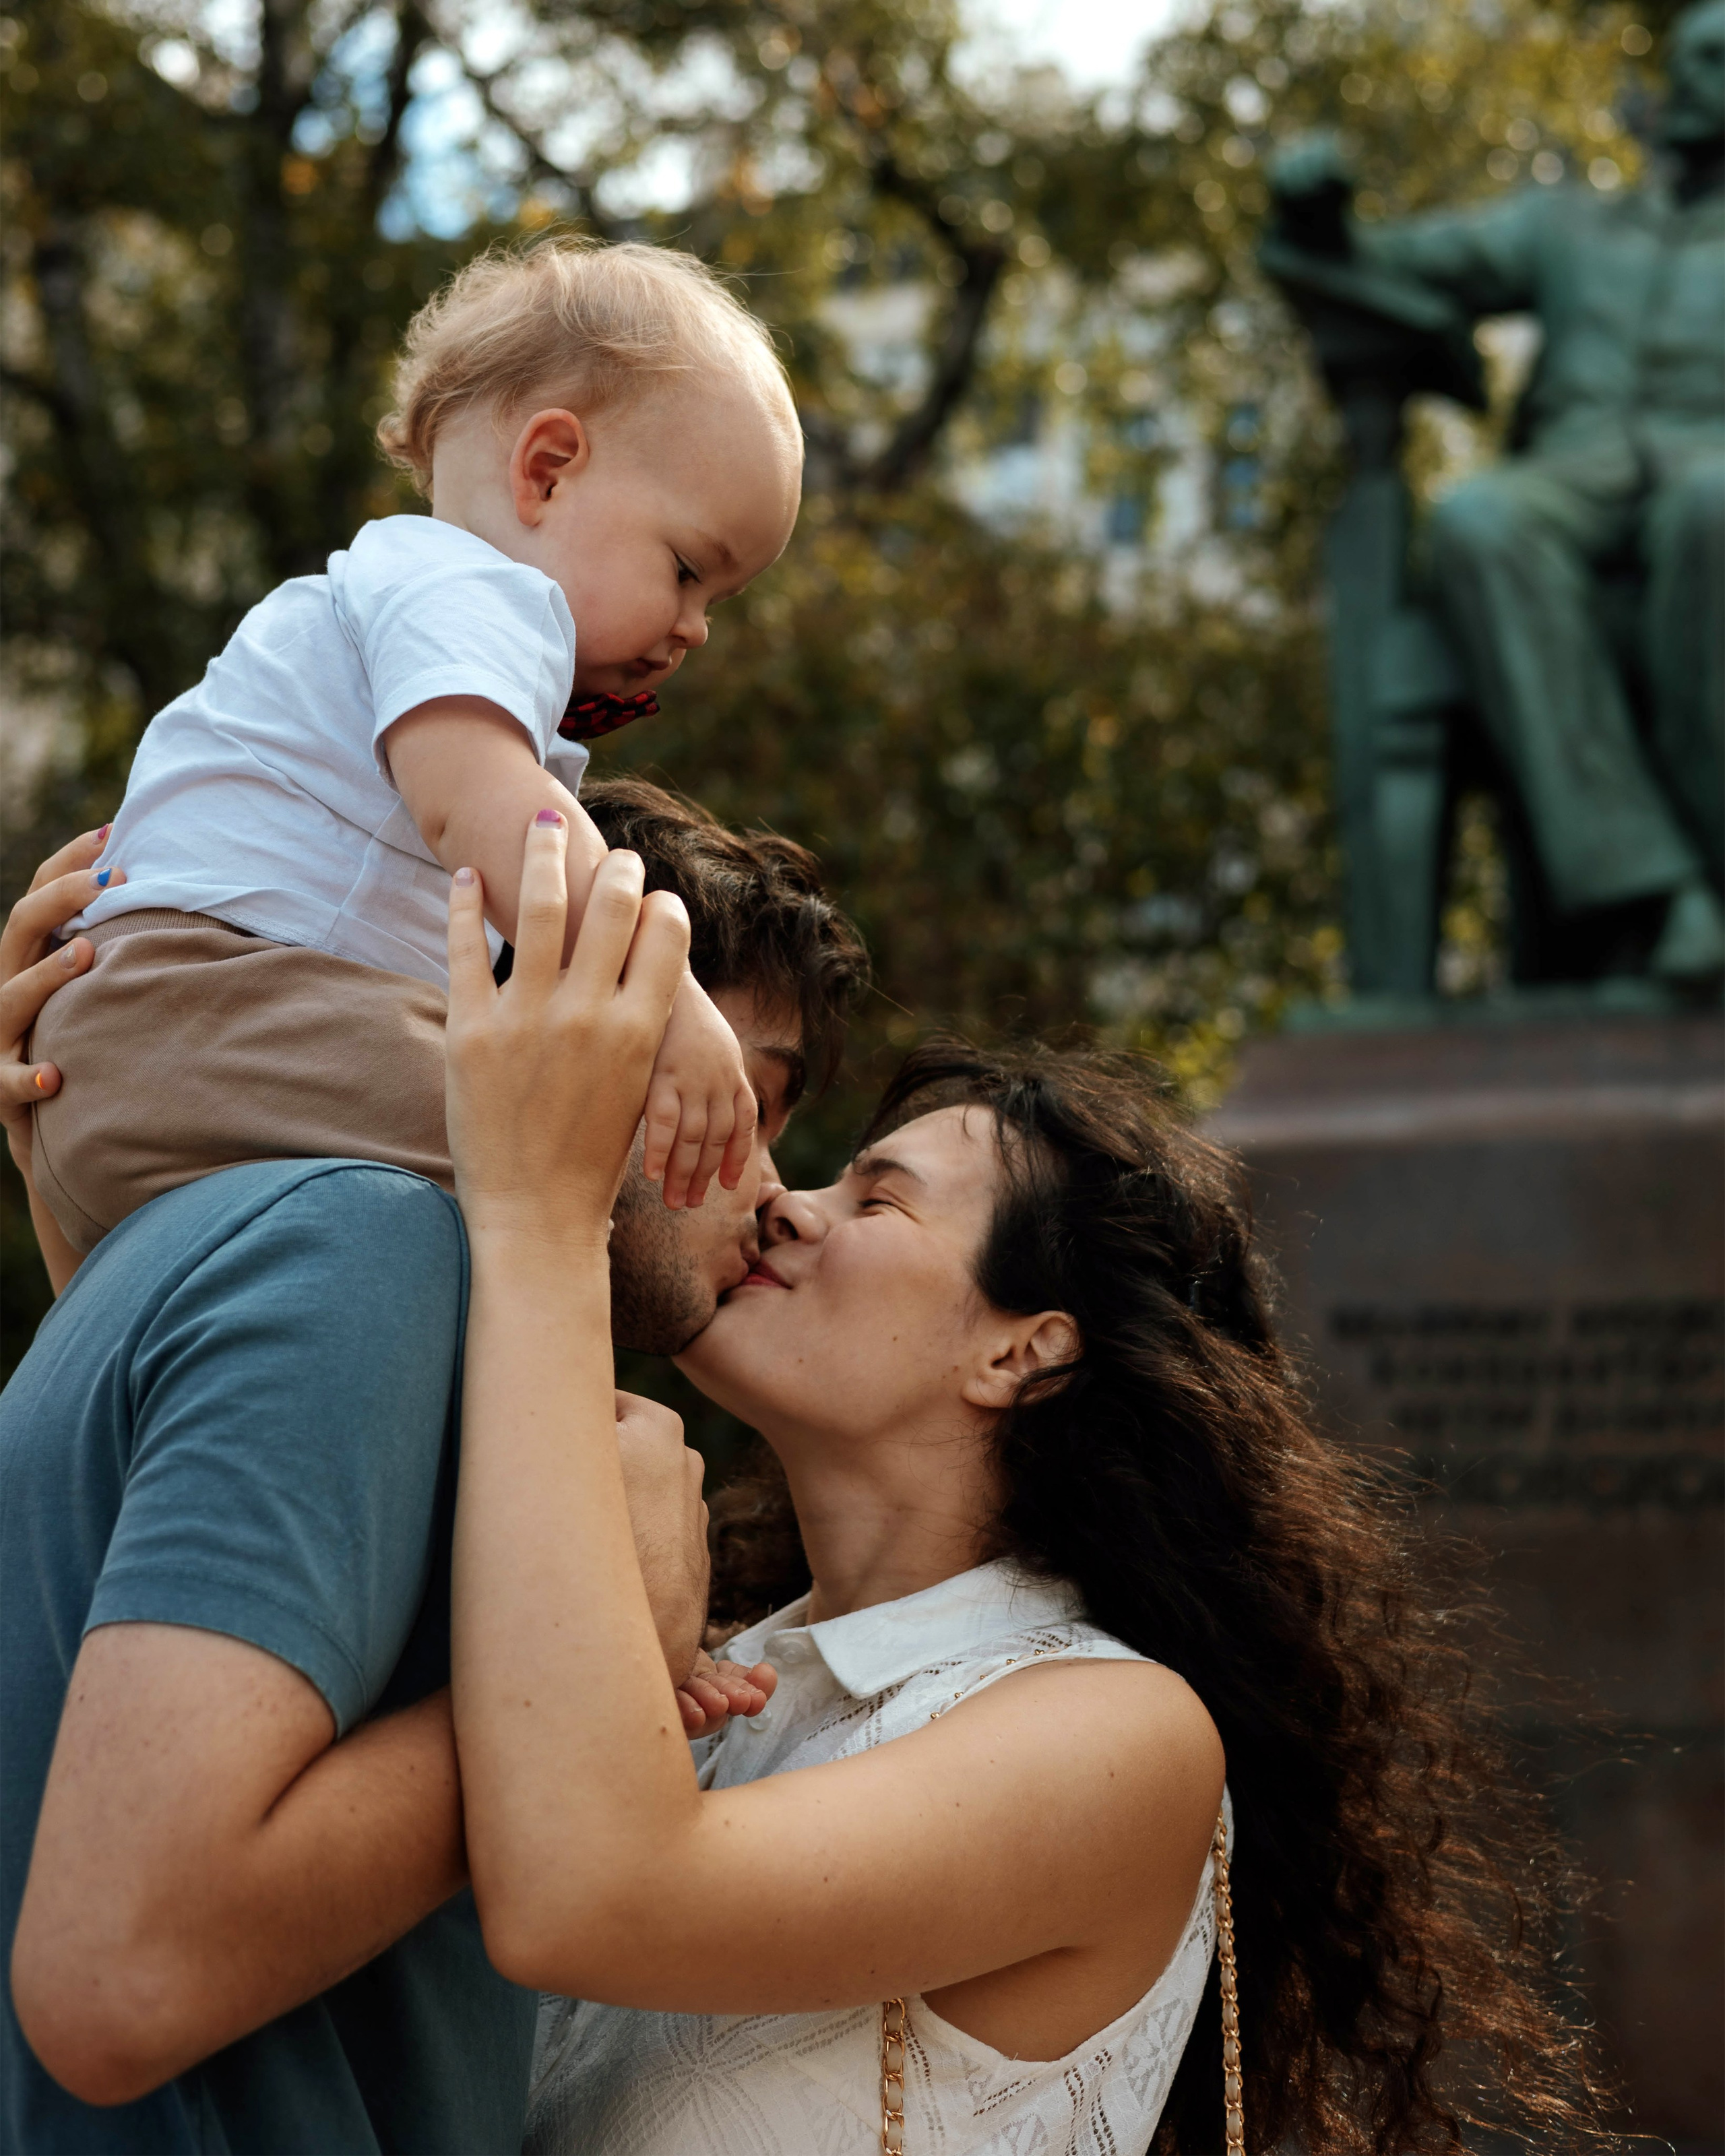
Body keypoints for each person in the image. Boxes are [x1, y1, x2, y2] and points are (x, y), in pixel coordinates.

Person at [437, 821, 1613, 2155]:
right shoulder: (712, 1669)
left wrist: (531, 1218)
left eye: (874, 1200)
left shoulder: (1116, 1737)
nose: (780, 1202)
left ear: (1022, 1347)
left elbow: (588, 1899)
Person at [0, 782, 867, 2153]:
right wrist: (608, 1661)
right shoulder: (364, 1255)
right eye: (724, 1098)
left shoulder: (290, 1264)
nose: (767, 1185)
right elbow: (121, 1976)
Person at [28, 236, 806, 1256]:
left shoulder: (392, 603)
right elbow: (481, 807)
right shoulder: (470, 592)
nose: (696, 628)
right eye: (689, 570)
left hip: (152, 1072)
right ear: (548, 469)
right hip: (215, 1016)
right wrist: (662, 1005)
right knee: (580, 1148)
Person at [1271, 0, 1725, 982]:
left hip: (1714, 467)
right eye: (1690, 59)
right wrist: (1313, 209)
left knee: (1713, 512)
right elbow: (1387, 258)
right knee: (1480, 518)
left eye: (1721, 61)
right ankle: (1659, 887)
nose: (1698, 79)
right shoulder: (1569, 225)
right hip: (1577, 472)